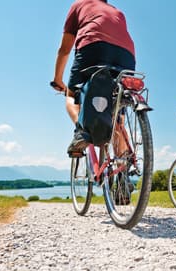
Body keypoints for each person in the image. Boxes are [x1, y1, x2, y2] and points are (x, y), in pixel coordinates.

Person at [51, 0, 136, 157]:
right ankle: (123, 166)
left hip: (94, 45)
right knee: (117, 110)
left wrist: (58, 79)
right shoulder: (118, 12)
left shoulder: (79, 4)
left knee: (72, 96)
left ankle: (82, 133)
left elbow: (64, 49)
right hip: (127, 56)